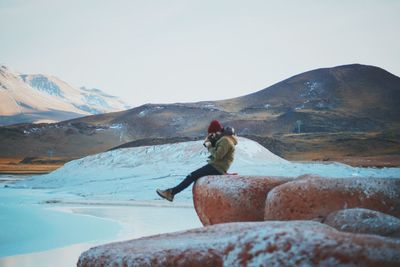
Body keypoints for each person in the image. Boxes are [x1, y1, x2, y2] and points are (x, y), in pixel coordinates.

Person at [156, 120, 238, 202]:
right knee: (192, 176)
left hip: (216, 167)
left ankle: (171, 193)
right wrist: (212, 143)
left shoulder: (226, 140)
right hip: (217, 167)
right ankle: (171, 192)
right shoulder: (227, 140)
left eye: (214, 133)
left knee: (191, 176)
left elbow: (218, 155)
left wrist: (209, 146)